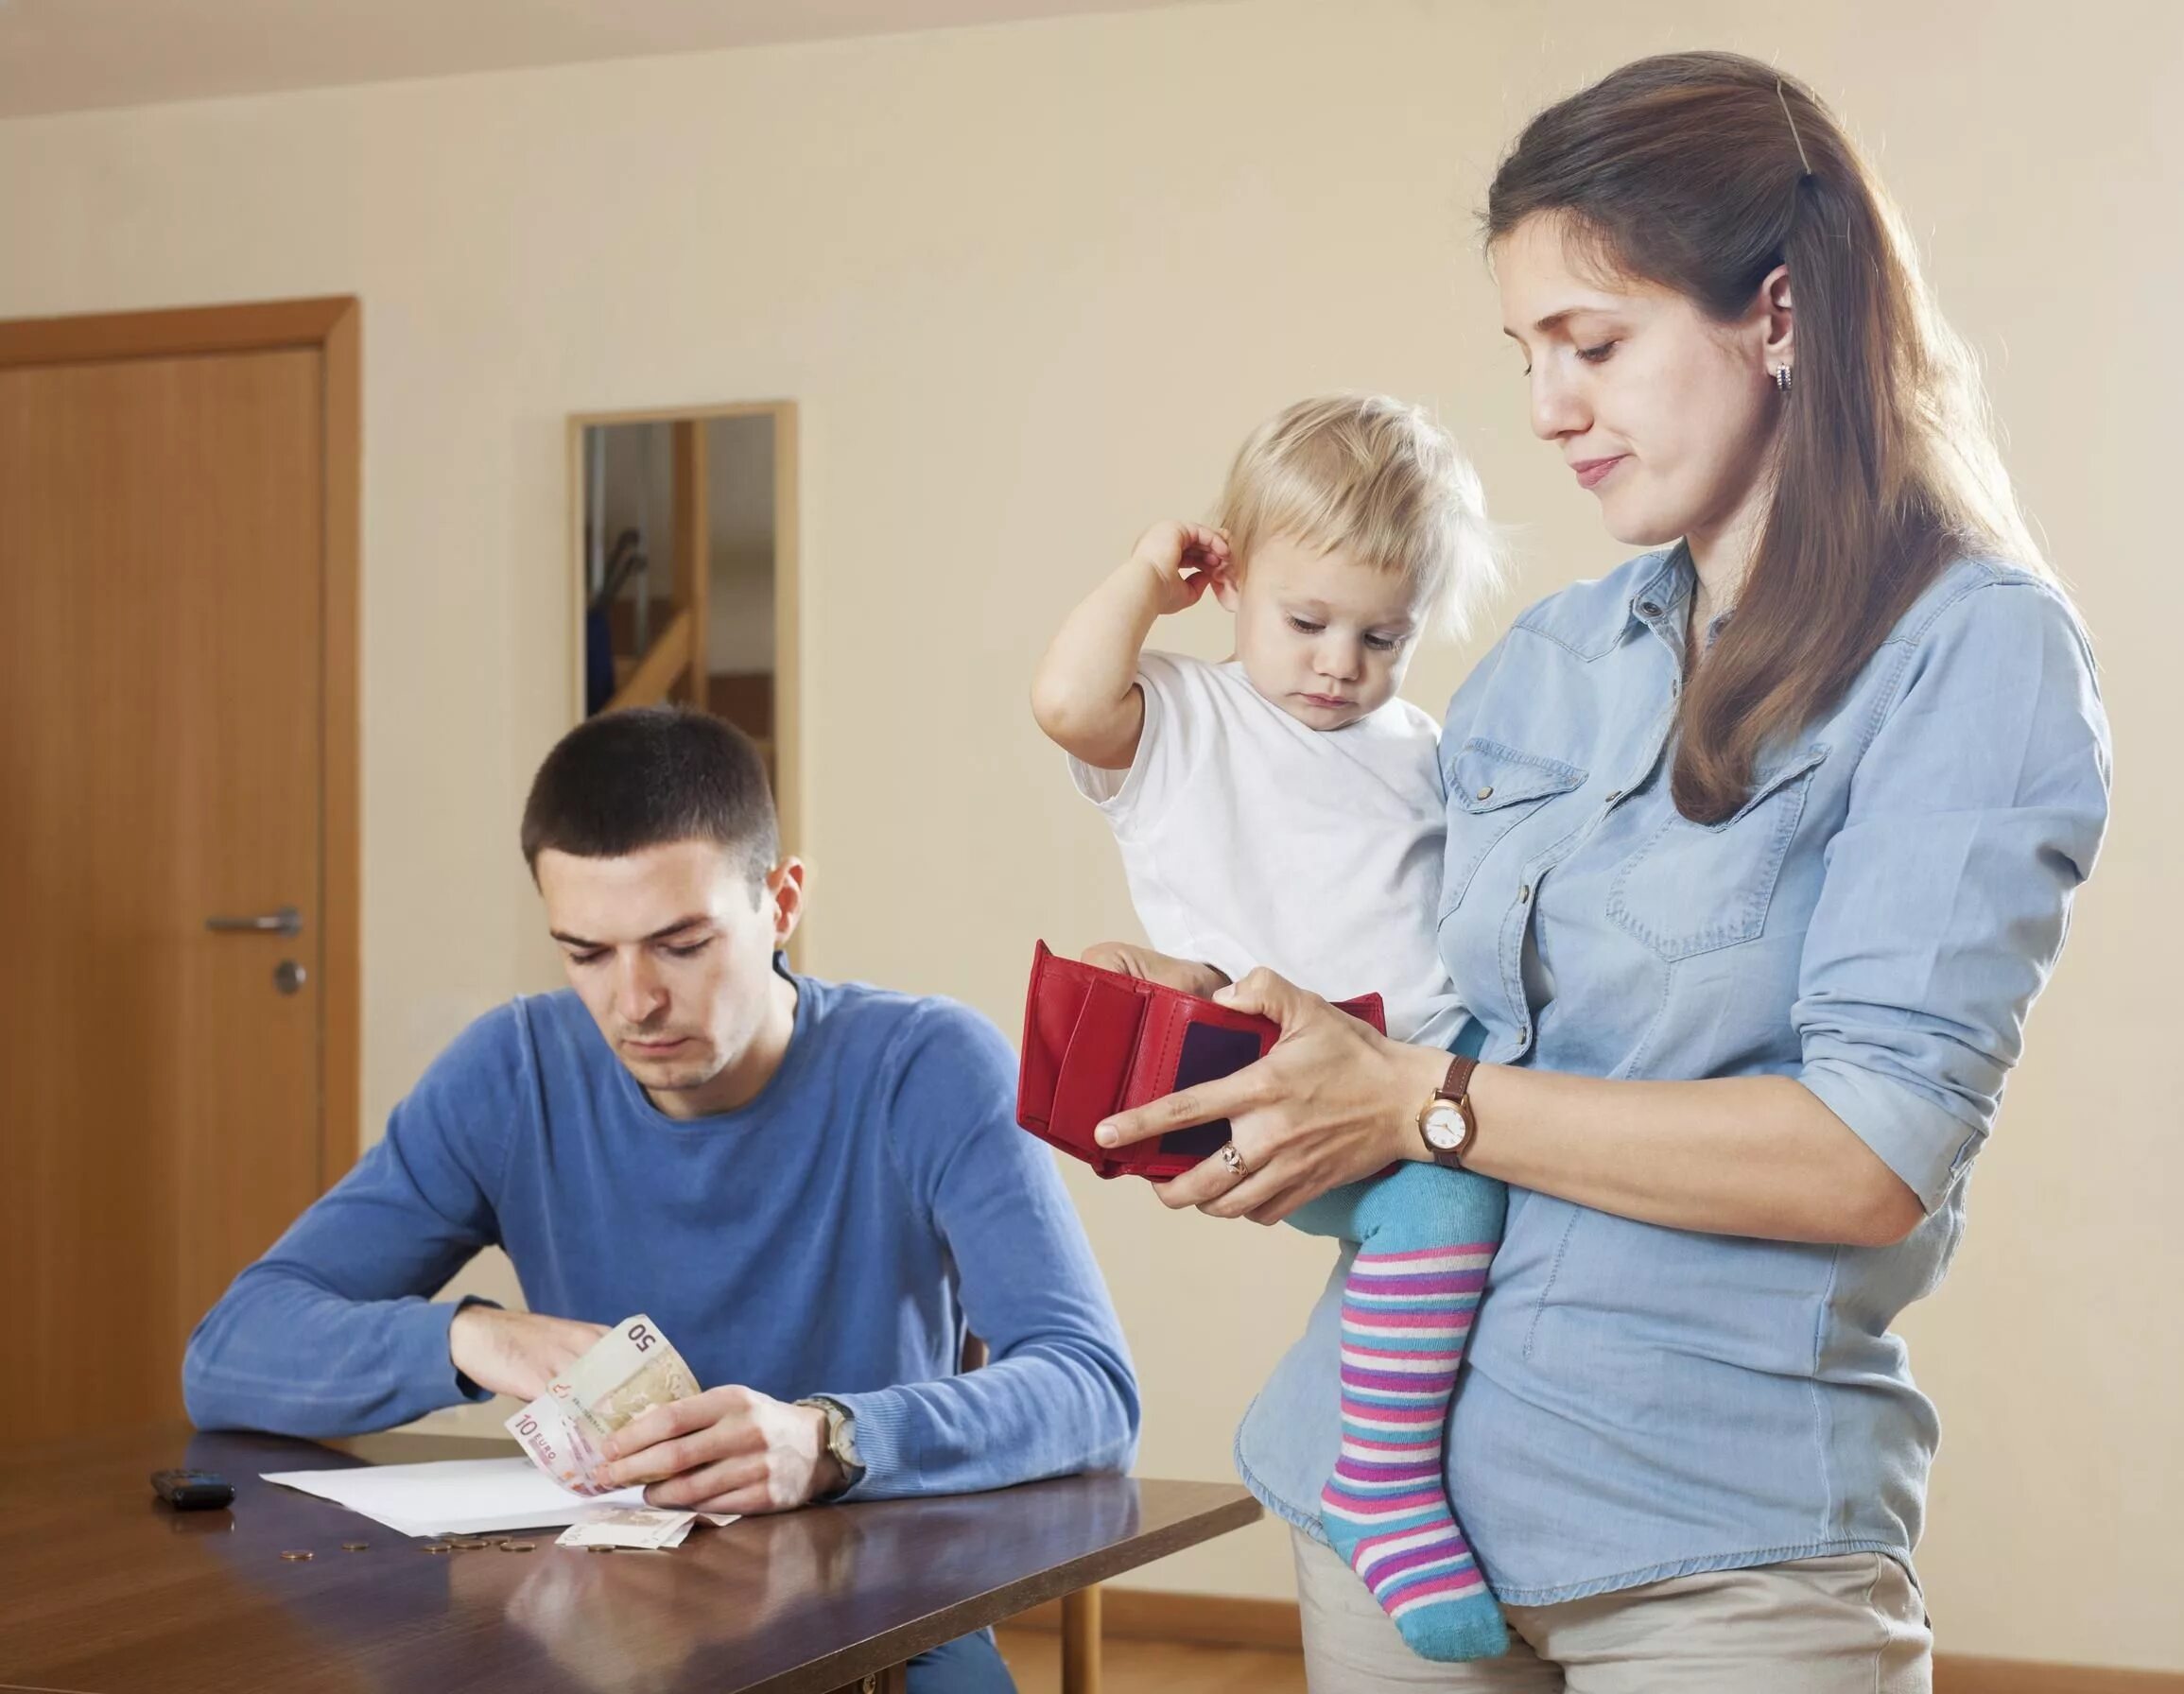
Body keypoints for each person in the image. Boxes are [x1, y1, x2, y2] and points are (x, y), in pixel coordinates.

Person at [1090, 52, 2110, 1692]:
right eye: (1529, 355)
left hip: (1718, 1552)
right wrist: (1263, 1044)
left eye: (1596, 342)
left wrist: (1421, 1104)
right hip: (1382, 1505)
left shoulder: (1975, 653)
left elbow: (1868, 1154)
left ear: (1777, 313)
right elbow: (1442, 1030)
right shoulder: (1547, 661)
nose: (1551, 406)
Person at [185, 706, 1140, 1694]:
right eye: (586, 953)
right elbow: (228, 1353)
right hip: (597, 1614)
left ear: (783, 900)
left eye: (681, 943)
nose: (634, 1002)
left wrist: (830, 1440)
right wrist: (473, 1338)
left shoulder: (930, 1066)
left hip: (880, 1613)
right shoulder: (511, 1072)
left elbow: (1092, 1389)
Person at [1031, 393, 1511, 1661]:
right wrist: (1143, 581)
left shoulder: (1415, 749)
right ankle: (1383, 1476)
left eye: (1381, 636)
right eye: (1304, 622)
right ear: (1230, 579)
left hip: (1413, 1065)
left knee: (1509, 1144)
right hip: (1265, 1073)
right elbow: (1068, 703)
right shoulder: (1186, 716)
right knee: (1449, 1201)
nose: (1337, 664)